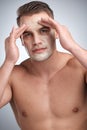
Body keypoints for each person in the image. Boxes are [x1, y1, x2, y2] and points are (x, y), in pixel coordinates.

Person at [0, 1, 87, 130]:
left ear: (57, 32)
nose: (36, 41)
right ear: (21, 41)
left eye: (44, 30)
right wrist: (8, 61)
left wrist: (72, 47)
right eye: (28, 34)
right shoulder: (13, 75)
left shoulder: (80, 67)